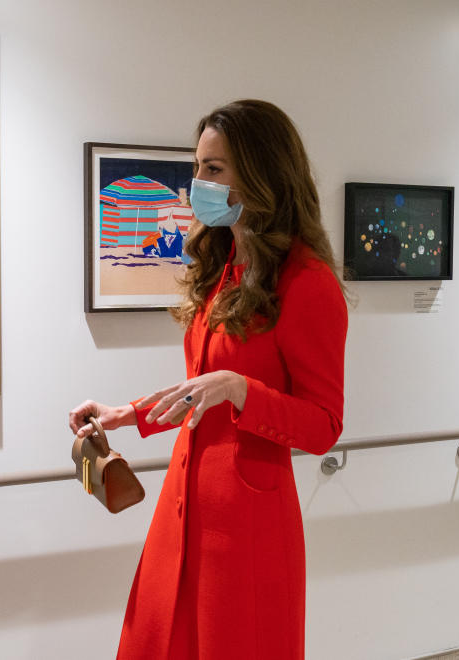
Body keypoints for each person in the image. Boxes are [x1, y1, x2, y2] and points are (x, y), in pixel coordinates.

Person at [69, 100, 348, 659]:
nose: (198, 182)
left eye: (213, 169)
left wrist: (243, 390)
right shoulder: (225, 267)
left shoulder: (307, 282)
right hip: (187, 505)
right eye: (198, 167)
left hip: (246, 527)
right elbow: (202, 386)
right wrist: (128, 414)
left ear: (261, 174)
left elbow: (323, 426)